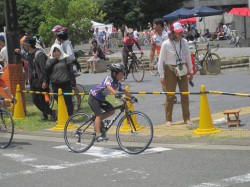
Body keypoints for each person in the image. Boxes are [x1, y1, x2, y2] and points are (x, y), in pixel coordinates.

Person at [88, 63, 137, 142]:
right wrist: (116, 93)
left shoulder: (118, 83)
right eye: (121, 73)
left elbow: (124, 91)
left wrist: (132, 97)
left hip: (101, 99)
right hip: (93, 98)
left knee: (111, 111)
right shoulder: (109, 78)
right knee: (99, 115)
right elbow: (108, 86)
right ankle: (98, 135)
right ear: (115, 73)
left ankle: (98, 121)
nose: (123, 75)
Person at [158, 22, 194, 127]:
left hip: (182, 68)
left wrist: (190, 71)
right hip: (170, 68)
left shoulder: (184, 42)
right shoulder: (166, 43)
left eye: (181, 32)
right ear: (173, 33)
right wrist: (161, 76)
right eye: (178, 33)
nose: (180, 34)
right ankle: (168, 119)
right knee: (170, 95)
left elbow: (188, 57)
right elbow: (161, 61)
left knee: (185, 94)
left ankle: (186, 118)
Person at [22, 37, 57, 121]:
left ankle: (50, 114)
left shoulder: (39, 54)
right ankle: (50, 113)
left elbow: (44, 69)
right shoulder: (29, 54)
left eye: (24, 45)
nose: (23, 46)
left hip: (40, 81)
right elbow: (26, 59)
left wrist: (45, 81)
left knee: (43, 100)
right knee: (35, 100)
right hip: (33, 81)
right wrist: (18, 53)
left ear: (29, 45)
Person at [44, 44, 76, 116]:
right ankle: (62, 116)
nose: (56, 53)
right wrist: (45, 82)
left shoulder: (66, 58)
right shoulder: (50, 60)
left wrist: (73, 83)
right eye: (54, 51)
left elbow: (71, 71)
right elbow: (46, 71)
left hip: (66, 83)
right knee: (59, 101)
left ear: (61, 50)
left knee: (68, 101)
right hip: (55, 84)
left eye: (58, 51)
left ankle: (69, 116)